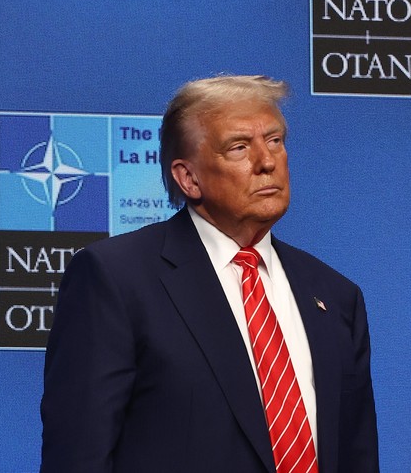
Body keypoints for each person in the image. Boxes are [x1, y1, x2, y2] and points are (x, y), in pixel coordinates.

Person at [40, 75, 378, 472]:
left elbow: (357, 458)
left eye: (275, 140)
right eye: (239, 147)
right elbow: (78, 458)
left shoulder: (335, 296)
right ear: (189, 178)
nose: (267, 161)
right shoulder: (116, 279)